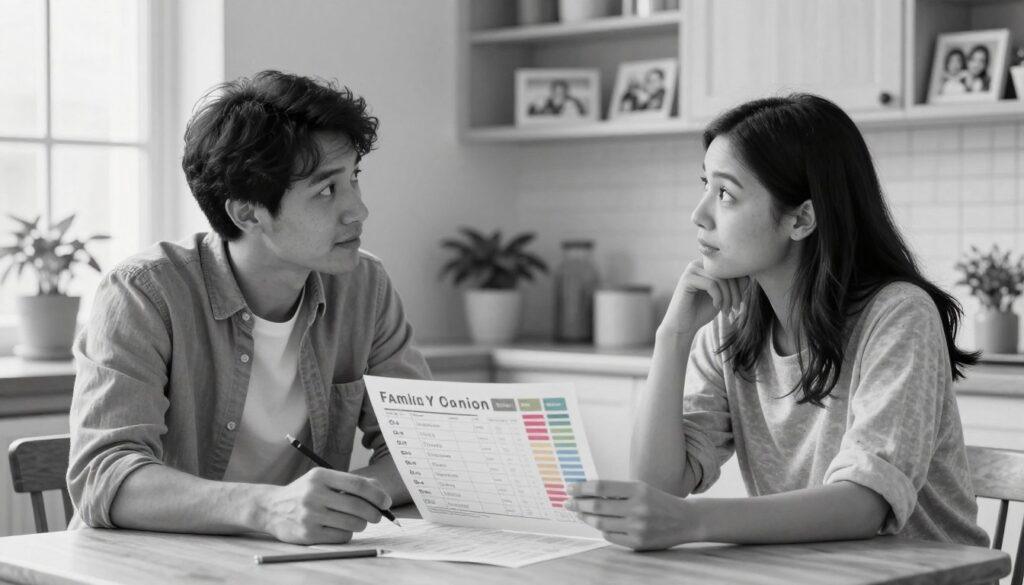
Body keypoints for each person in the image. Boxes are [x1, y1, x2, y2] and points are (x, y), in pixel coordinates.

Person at [564, 93, 988, 551]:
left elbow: (865, 504)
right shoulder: (732, 323)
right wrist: (673, 337)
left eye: (724, 193)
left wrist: (693, 521)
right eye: (704, 185)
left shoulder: (899, 315)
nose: (699, 214)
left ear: (802, 219)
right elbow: (660, 488)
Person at [67, 71, 431, 544]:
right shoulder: (143, 293)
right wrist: (267, 507)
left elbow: (426, 449)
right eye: (327, 190)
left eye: (354, 178)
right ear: (247, 212)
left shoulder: (364, 285)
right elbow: (104, 475)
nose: (358, 210)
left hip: (300, 564)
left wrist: (342, 498)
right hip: (152, 565)